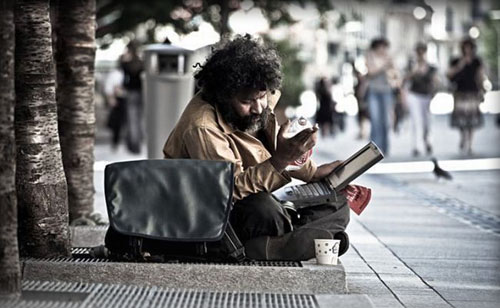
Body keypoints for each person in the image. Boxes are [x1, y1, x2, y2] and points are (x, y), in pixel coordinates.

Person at [163, 35, 350, 261]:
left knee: (335, 198)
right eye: (247, 101)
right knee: (264, 210)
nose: (258, 107)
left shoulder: (255, 95)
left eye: (261, 97)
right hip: (214, 214)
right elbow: (229, 191)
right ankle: (294, 238)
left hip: (260, 194)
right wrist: (280, 160)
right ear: (223, 96)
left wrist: (312, 172)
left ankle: (285, 240)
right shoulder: (202, 128)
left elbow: (268, 149)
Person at [446, 38, 485, 155]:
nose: (467, 50)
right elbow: (449, 75)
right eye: (465, 47)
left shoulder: (477, 61)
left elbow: (480, 76)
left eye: (469, 47)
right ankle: (463, 137)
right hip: (460, 92)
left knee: (472, 120)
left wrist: (482, 90)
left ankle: (470, 144)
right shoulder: (456, 60)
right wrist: (460, 65)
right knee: (461, 120)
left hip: (473, 93)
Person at [365, 38, 399, 155]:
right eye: (381, 47)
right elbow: (370, 72)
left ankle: (384, 148)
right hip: (374, 92)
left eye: (385, 47)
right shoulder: (370, 56)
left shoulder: (389, 58)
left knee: (385, 121)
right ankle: (374, 150)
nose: (383, 50)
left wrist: (391, 69)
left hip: (386, 92)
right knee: (375, 120)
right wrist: (384, 66)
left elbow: (395, 75)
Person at [405, 42, 438, 157]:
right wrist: (414, 70)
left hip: (426, 95)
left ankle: (427, 141)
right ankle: (416, 146)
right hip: (414, 94)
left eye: (422, 51)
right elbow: (405, 78)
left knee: (426, 121)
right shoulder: (411, 65)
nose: (420, 54)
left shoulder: (431, 66)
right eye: (418, 51)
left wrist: (433, 93)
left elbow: (435, 81)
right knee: (415, 120)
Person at [120, 41, 144, 154]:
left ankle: (134, 145)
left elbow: (124, 80)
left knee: (132, 120)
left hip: (131, 93)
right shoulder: (142, 63)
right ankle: (138, 144)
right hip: (141, 93)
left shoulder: (126, 64)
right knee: (139, 120)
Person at [104, 65, 126, 151]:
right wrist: (111, 98)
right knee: (117, 123)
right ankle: (116, 142)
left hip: (126, 99)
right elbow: (109, 87)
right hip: (119, 99)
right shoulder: (116, 74)